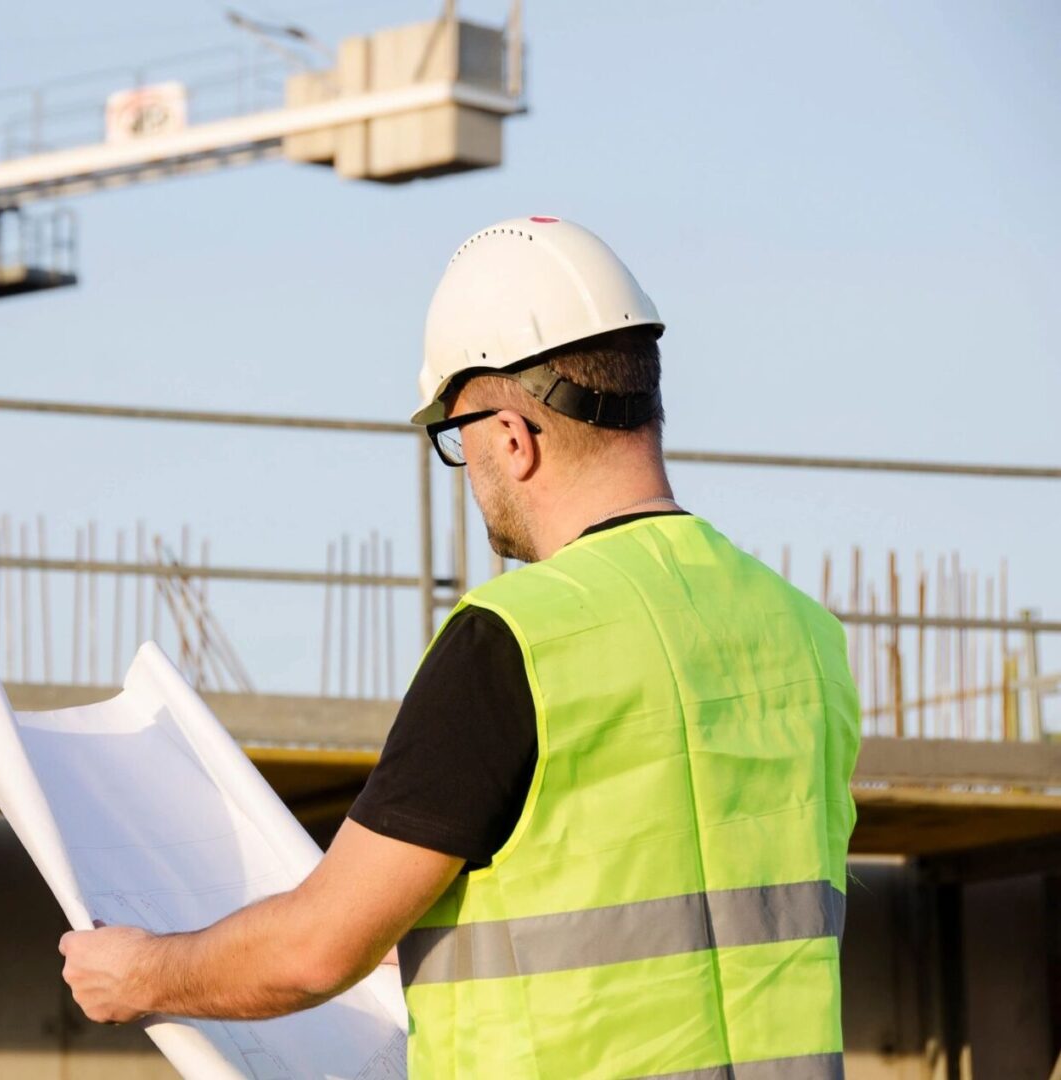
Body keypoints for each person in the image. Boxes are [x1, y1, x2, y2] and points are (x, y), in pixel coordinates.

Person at [59, 217, 861, 1078]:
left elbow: (315, 951)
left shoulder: (516, 638)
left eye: (459, 439)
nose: (470, 471)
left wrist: (139, 973)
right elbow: (684, 916)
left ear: (512, 438)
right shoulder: (804, 635)